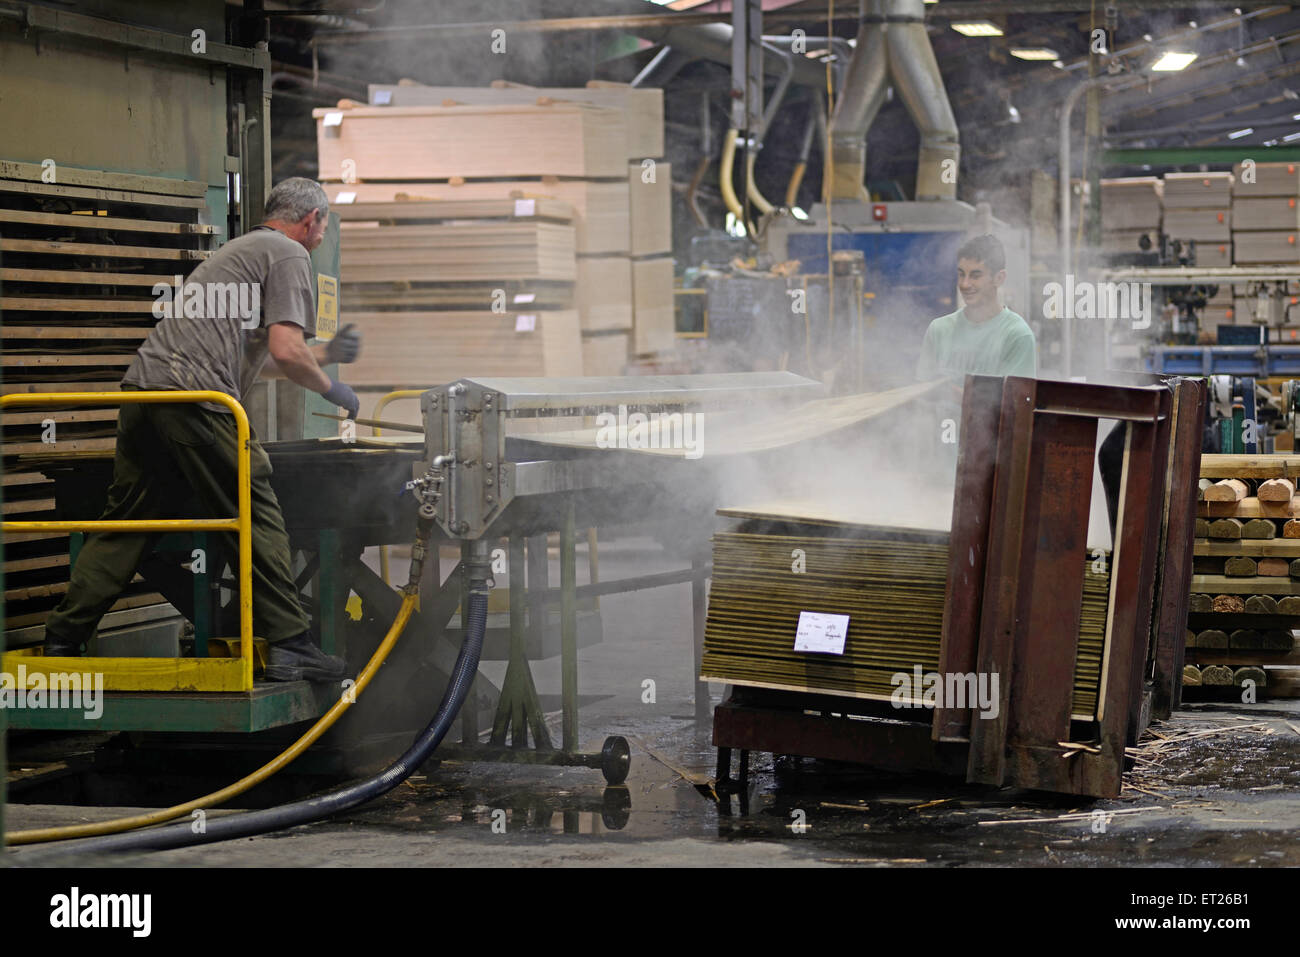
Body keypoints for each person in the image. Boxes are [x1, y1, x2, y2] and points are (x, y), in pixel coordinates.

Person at [42, 178, 363, 683]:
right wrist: (335, 391)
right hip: (197, 400)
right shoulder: (288, 253)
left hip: (146, 393)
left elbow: (265, 355)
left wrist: (323, 356)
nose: (321, 237)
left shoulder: (237, 252)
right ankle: (290, 644)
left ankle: (62, 638)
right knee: (252, 510)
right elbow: (285, 349)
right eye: (323, 227)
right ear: (311, 219)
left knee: (129, 522)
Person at [915, 234, 1037, 381]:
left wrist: (945, 391)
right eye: (961, 274)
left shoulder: (1017, 336)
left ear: (999, 278)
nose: (965, 284)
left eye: (975, 276)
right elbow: (920, 394)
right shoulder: (939, 329)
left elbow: (1015, 403)